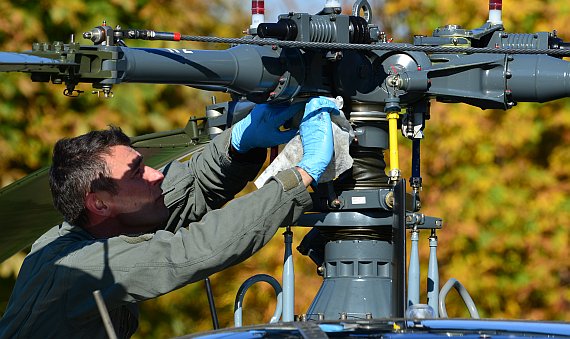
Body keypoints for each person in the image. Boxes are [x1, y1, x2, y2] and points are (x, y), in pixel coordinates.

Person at [0, 97, 340, 339]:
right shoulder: (83, 268)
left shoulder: (73, 232)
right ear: (99, 203)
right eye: (136, 173)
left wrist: (237, 144)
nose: (155, 174)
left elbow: (181, 190)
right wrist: (301, 174)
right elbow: (193, 249)